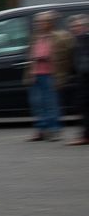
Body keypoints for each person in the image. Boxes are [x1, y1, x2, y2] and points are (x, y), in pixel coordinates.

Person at [25, 10, 74, 142]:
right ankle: (41, 130)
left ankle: (54, 130)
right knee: (37, 103)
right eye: (38, 21)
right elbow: (31, 55)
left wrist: (60, 68)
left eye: (42, 21)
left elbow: (67, 55)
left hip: (50, 74)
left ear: (50, 23)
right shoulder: (36, 37)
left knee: (51, 103)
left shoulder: (59, 37)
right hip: (35, 74)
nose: (39, 24)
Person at [70, 14, 89, 146]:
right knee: (83, 106)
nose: (75, 28)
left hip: (87, 77)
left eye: (78, 26)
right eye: (73, 26)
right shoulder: (77, 40)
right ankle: (85, 134)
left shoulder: (85, 39)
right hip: (82, 77)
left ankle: (86, 136)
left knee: (85, 106)